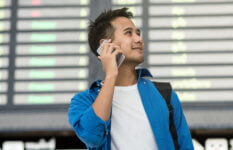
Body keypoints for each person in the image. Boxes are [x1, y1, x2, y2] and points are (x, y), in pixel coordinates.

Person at [68, 7, 194, 150]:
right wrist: (111, 75)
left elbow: (186, 146)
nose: (139, 39)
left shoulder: (164, 94)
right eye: (129, 33)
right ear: (105, 45)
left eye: (138, 33)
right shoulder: (83, 102)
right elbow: (93, 136)